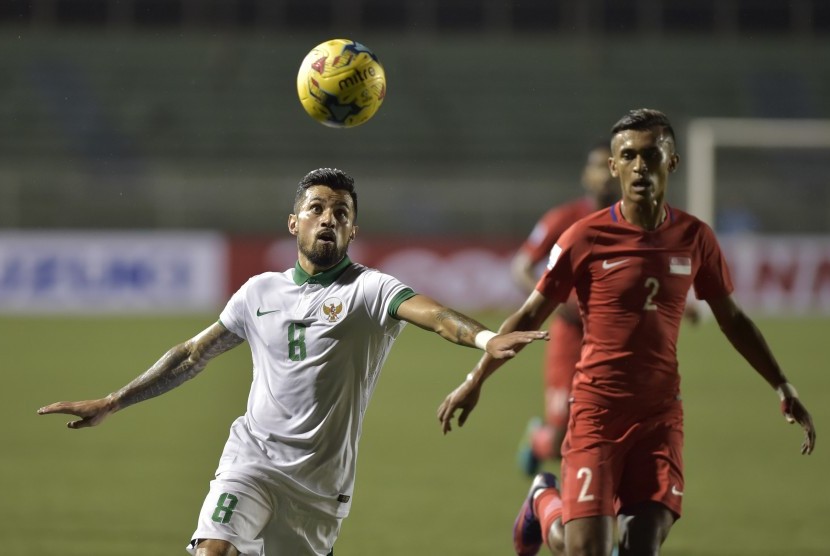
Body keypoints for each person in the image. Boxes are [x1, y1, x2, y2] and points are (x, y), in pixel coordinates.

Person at [38, 168, 547, 556]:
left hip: (321, 490)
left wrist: (482, 339)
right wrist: (114, 401)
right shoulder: (258, 292)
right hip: (252, 463)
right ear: (293, 222)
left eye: (341, 212)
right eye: (317, 208)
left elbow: (434, 315)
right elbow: (192, 355)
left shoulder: (369, 289)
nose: (329, 218)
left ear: (352, 229)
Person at [437, 109, 816, 556]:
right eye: (628, 156)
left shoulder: (695, 238)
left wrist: (782, 384)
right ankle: (543, 498)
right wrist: (474, 379)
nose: (640, 166)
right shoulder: (584, 237)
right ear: (614, 165)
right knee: (587, 550)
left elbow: (733, 319)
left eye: (651, 154)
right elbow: (528, 315)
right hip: (598, 413)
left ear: (671, 161)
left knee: (640, 547)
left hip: (659, 419)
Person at [511, 141, 618, 476]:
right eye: (600, 166)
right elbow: (520, 267)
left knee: (608, 436)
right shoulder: (565, 218)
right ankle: (538, 439)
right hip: (570, 339)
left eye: (612, 166)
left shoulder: (637, 222)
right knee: (560, 443)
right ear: (587, 174)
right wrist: (554, 299)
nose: (607, 175)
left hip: (615, 341)